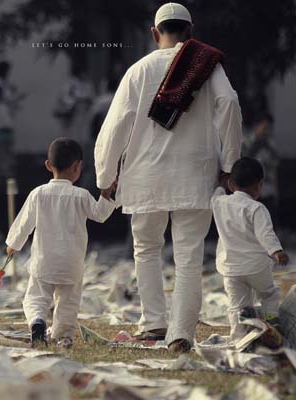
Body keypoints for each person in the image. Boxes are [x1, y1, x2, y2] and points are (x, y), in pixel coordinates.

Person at [94, 2, 243, 352]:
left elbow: (115, 125)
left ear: (154, 33)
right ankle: (181, 334)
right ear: (191, 33)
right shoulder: (208, 67)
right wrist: (230, 164)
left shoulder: (139, 69)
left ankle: (154, 324)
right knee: (189, 255)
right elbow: (231, 106)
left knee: (146, 249)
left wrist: (105, 174)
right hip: (196, 176)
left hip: (144, 178)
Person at [5, 138, 117, 348]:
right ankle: (63, 337)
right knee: (68, 303)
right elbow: (100, 215)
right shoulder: (82, 196)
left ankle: (37, 322)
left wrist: (13, 245)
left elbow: (24, 224)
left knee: (36, 298)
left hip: (44, 262)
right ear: (78, 167)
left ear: (48, 165)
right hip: (71, 264)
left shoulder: (38, 194)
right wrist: (105, 195)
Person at [211, 157, 289, 341]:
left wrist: (221, 184)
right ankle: (271, 322)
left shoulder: (219, 204)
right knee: (269, 295)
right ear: (260, 184)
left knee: (236, 305)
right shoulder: (257, 208)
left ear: (231, 183)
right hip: (256, 267)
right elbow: (266, 234)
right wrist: (276, 251)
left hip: (230, 268)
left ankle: (239, 337)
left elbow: (215, 194)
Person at [242, 113, 279, 217]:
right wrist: (256, 145)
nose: (267, 131)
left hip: (267, 192)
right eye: (265, 128)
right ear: (256, 126)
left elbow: (274, 167)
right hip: (249, 192)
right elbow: (242, 162)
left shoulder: (270, 144)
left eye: (269, 128)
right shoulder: (245, 142)